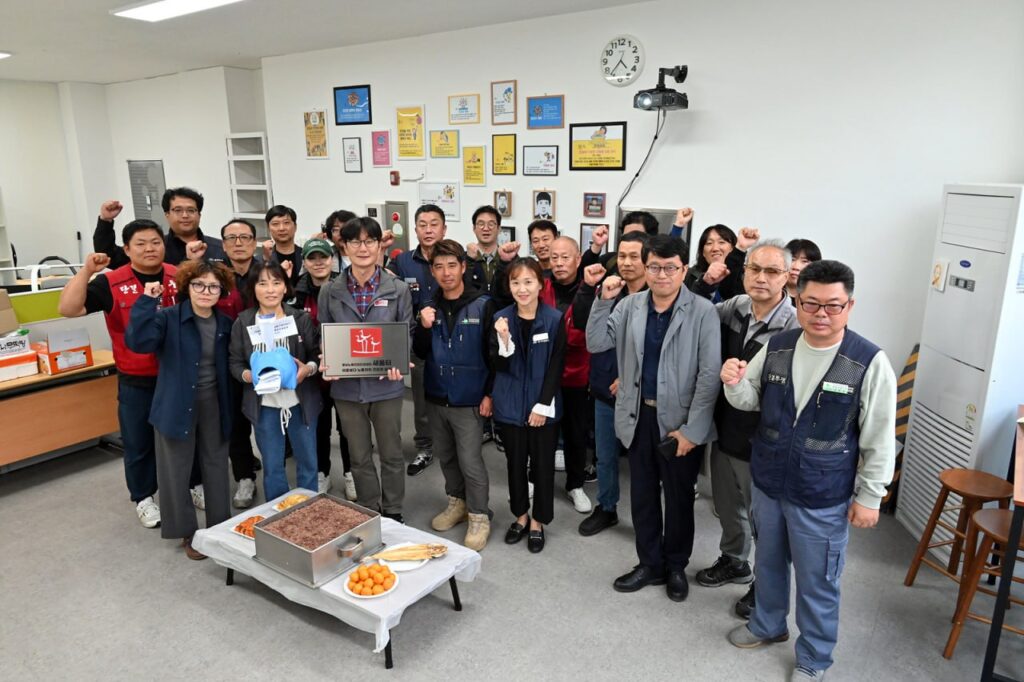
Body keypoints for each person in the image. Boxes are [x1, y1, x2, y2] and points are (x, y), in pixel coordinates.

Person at [722, 260, 896, 682]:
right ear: (797, 301)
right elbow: (749, 399)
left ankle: (814, 658)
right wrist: (733, 381)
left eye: (833, 306)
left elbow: (879, 437)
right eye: (811, 303)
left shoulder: (867, 361)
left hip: (822, 493)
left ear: (849, 306)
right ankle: (768, 624)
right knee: (768, 563)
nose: (821, 314)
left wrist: (870, 496)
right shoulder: (778, 346)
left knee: (819, 581)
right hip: (769, 482)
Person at [586, 234, 721, 602]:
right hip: (638, 415)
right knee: (643, 495)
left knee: (678, 499)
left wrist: (692, 431)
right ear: (645, 269)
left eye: (670, 268)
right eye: (655, 267)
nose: (662, 275)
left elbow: (709, 375)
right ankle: (649, 563)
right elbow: (596, 343)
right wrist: (602, 300)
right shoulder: (629, 305)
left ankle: (675, 565)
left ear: (684, 270)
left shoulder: (703, 311)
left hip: (679, 422)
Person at [694, 239, 799, 619]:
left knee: (766, 520)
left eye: (772, 271)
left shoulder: (795, 325)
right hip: (726, 429)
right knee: (727, 505)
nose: (761, 278)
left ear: (787, 277)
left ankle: (765, 584)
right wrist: (705, 282)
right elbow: (694, 312)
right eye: (754, 269)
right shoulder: (735, 307)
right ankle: (734, 560)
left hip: (767, 438)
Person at [58, 221, 179, 529]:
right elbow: (68, 309)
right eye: (141, 243)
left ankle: (191, 484)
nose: (150, 248)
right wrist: (86, 271)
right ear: (126, 249)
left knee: (183, 436)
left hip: (176, 375)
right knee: (138, 442)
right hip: (136, 378)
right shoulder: (111, 282)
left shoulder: (178, 275)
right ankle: (143, 498)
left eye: (155, 242)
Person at [125, 259, 235, 560]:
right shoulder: (167, 317)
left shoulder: (225, 323)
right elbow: (138, 341)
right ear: (187, 286)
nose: (206, 292)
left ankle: (219, 526)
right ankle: (189, 532)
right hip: (175, 402)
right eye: (199, 285)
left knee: (216, 463)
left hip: (215, 401)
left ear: (221, 291)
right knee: (175, 468)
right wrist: (146, 301)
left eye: (213, 286)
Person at [319, 217, 413, 523]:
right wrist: (326, 360)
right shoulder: (330, 290)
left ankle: (394, 510)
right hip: (346, 389)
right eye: (355, 241)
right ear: (344, 247)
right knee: (358, 456)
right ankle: (370, 509)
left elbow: (406, 331)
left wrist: (400, 360)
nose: (363, 248)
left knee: (392, 453)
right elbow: (325, 333)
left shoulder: (397, 289)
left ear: (379, 246)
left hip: (386, 386)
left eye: (369, 241)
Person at [413, 239, 497, 550]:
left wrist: (489, 394)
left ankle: (479, 515)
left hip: (470, 398)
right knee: (446, 457)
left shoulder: (483, 305)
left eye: (452, 265)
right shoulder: (428, 306)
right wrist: (423, 326)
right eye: (439, 267)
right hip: (436, 395)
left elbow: (494, 354)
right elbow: (420, 352)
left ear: (463, 267)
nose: (446, 272)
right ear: (432, 271)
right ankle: (457, 503)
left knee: (470, 461)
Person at [573, 232, 648, 536]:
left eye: (634, 256)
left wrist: (630, 378)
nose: (627, 262)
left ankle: (645, 519)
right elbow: (589, 332)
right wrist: (596, 293)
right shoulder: (611, 289)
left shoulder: (657, 297)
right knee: (605, 456)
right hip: (605, 388)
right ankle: (607, 507)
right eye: (623, 256)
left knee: (643, 462)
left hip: (641, 396)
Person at [491, 258, 566, 553]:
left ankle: (538, 521)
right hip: (509, 403)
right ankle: (521, 516)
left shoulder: (554, 319)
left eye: (528, 282)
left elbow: (556, 365)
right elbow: (496, 364)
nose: (522, 289)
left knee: (543, 466)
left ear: (540, 285)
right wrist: (504, 340)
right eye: (515, 282)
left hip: (542, 406)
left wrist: (542, 405)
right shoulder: (500, 318)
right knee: (515, 464)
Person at [230, 261, 321, 502]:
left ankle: (310, 508)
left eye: (276, 282)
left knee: (308, 461)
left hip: (300, 403)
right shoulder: (243, 322)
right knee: (272, 465)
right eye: (262, 283)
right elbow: (235, 362)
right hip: (265, 406)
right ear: (253, 288)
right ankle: (278, 511)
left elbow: (316, 355)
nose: (270, 289)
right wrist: (249, 376)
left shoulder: (299, 319)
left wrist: (308, 370)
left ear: (285, 287)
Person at [291, 238, 356, 501]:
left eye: (323, 257)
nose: (318, 263)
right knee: (318, 426)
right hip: (311, 372)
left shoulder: (346, 286)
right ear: (305, 263)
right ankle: (322, 472)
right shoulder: (297, 293)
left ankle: (351, 473)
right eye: (312, 258)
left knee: (348, 426)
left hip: (342, 370)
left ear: (333, 260)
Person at [206, 219, 262, 508]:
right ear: (223, 245)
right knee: (235, 423)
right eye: (231, 238)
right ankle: (244, 477)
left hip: (266, 358)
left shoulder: (266, 273)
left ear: (255, 242)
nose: (238, 243)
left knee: (269, 422)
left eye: (245, 237)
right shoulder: (213, 277)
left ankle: (278, 476)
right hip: (227, 361)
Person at [391, 204, 447, 475]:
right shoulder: (402, 262)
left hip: (451, 339)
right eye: (423, 225)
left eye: (434, 224)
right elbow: (387, 289)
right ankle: (425, 447)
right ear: (415, 229)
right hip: (419, 340)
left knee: (454, 396)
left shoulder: (454, 256)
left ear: (444, 229)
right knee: (421, 398)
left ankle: (454, 445)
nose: (428, 229)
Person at [546, 236, 593, 514]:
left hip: (577, 374)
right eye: (554, 257)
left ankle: (575, 484)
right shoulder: (541, 286)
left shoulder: (590, 288)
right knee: (542, 432)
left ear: (578, 259)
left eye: (565, 257)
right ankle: (536, 479)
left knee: (576, 434)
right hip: (545, 374)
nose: (559, 263)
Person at [92, 189, 226, 268]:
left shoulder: (220, 248)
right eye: (178, 210)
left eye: (191, 210)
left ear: (199, 215)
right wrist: (105, 220)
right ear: (167, 214)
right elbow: (109, 256)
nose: (185, 215)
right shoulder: (153, 248)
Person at [684, 224, 751, 302]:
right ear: (703, 252)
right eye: (709, 243)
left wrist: (740, 249)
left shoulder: (746, 276)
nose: (715, 248)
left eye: (721, 242)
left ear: (733, 248)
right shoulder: (688, 275)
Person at [262, 205, 303, 285]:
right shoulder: (262, 260)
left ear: (295, 226)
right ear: (268, 228)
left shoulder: (306, 256)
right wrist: (266, 260)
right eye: (275, 224)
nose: (281, 228)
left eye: (286, 223)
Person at [466, 205, 502, 294]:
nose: (486, 228)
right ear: (474, 228)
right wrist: (469, 261)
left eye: (491, 224)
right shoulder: (464, 259)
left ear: (499, 229)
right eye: (481, 224)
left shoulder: (508, 259)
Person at [784, 238, 822, 303]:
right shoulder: (771, 296)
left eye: (804, 261)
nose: (796, 267)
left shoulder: (821, 298)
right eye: (792, 259)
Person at [324, 209, 358, 274]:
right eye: (336, 229)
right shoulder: (327, 258)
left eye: (346, 228)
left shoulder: (368, 255)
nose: (341, 233)